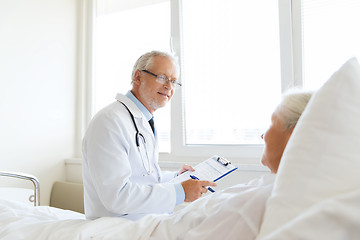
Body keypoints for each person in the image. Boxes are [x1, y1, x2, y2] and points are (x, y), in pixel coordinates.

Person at [150, 90, 313, 239]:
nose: (263, 135)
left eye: (272, 123)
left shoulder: (254, 205)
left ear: (292, 134)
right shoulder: (268, 187)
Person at [82, 51, 216, 221]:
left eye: (174, 81)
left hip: (146, 223)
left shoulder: (144, 121)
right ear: (138, 78)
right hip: (117, 229)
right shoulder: (109, 121)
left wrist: (177, 178)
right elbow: (116, 196)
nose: (169, 86)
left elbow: (145, 177)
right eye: (162, 77)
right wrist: (180, 192)